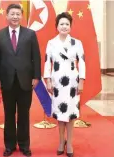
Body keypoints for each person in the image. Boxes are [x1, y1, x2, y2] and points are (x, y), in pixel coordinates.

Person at [0, 4, 41, 157]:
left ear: (22, 16)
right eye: (12, 14)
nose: (15, 17)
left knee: (24, 115)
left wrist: (36, 76)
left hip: (25, 80)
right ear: (6, 16)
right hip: (6, 81)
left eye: (18, 14)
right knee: (8, 114)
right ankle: (9, 146)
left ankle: (24, 145)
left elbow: (36, 57)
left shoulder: (30, 34)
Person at [44, 12, 86, 157]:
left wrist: (81, 81)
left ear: (70, 26)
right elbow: (47, 63)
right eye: (61, 24)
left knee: (71, 113)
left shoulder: (77, 43)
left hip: (72, 83)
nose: (64, 26)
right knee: (60, 112)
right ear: (57, 26)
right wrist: (48, 80)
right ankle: (61, 141)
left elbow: (83, 63)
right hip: (57, 83)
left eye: (67, 24)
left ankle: (71, 142)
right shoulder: (51, 43)